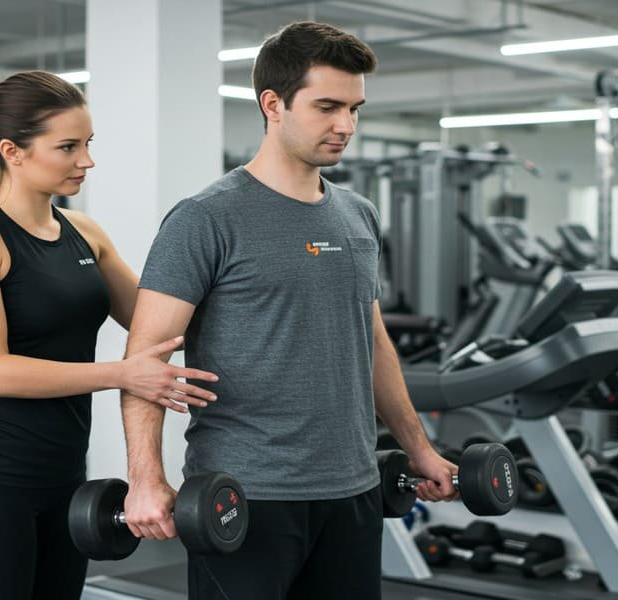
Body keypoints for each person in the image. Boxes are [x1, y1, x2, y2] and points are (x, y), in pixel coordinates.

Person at [119, 22, 459, 599]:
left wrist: (419, 447)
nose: (346, 125)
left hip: (352, 489)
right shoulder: (205, 218)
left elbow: (371, 343)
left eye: (355, 108)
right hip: (246, 493)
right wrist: (145, 478)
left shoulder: (358, 216)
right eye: (327, 106)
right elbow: (144, 359)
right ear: (272, 104)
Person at [0, 70, 219, 600]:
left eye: (88, 144)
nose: (87, 161)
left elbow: (155, 321)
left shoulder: (85, 231)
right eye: (68, 147)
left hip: (64, 475)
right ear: (13, 151)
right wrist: (124, 374)